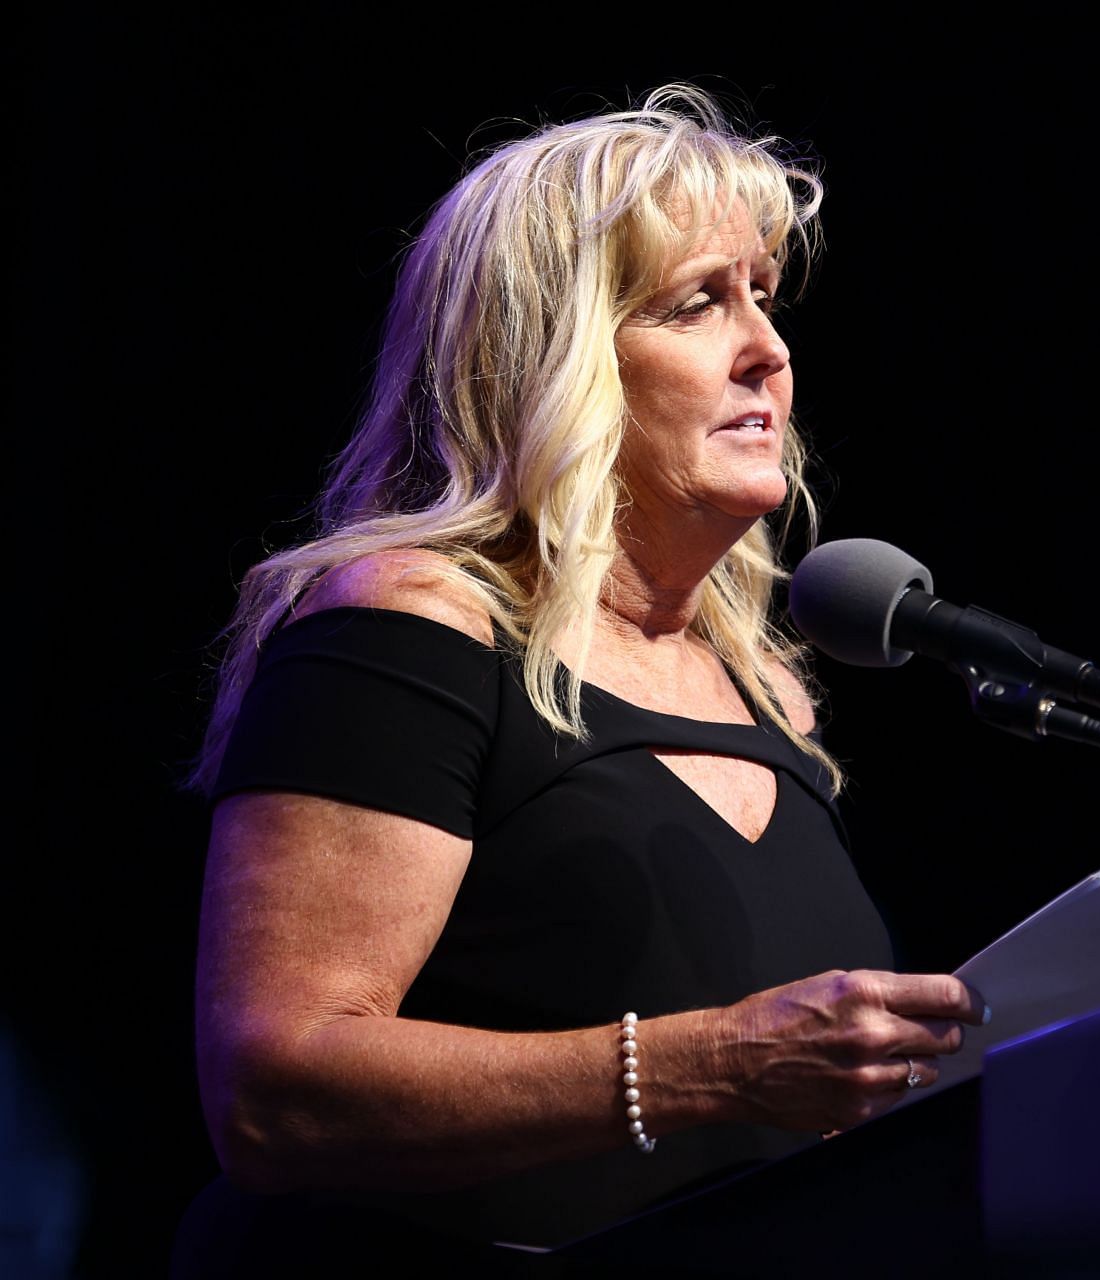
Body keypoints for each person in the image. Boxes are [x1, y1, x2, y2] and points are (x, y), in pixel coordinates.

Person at [181, 87, 985, 1264]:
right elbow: (276, 1088)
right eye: (699, 301)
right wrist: (711, 1061)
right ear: (552, 359)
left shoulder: (767, 692)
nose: (769, 347)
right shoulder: (415, 624)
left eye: (762, 294)